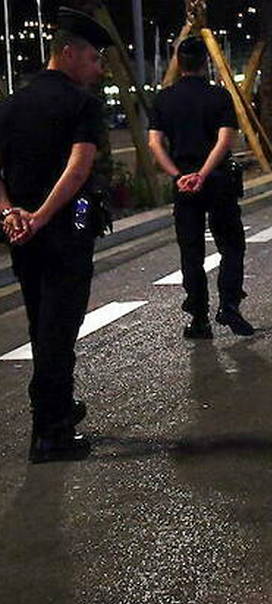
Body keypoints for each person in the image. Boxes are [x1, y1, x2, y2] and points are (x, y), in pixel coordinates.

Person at [0, 8, 110, 463]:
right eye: (93, 58)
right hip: (68, 225)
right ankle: (51, 432)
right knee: (59, 329)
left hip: (21, 233)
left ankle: (58, 408)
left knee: (40, 320)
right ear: (68, 53)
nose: (98, 67)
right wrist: (44, 216)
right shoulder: (83, 104)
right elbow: (79, 167)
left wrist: (10, 215)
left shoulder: (10, 103)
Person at [148, 37, 254, 339]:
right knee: (232, 245)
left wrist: (180, 175)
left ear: (178, 63)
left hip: (184, 187)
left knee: (191, 252)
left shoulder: (163, 99)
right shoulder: (219, 97)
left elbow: (154, 143)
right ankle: (230, 304)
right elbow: (225, 140)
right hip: (218, 181)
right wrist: (204, 173)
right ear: (206, 63)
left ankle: (198, 318)